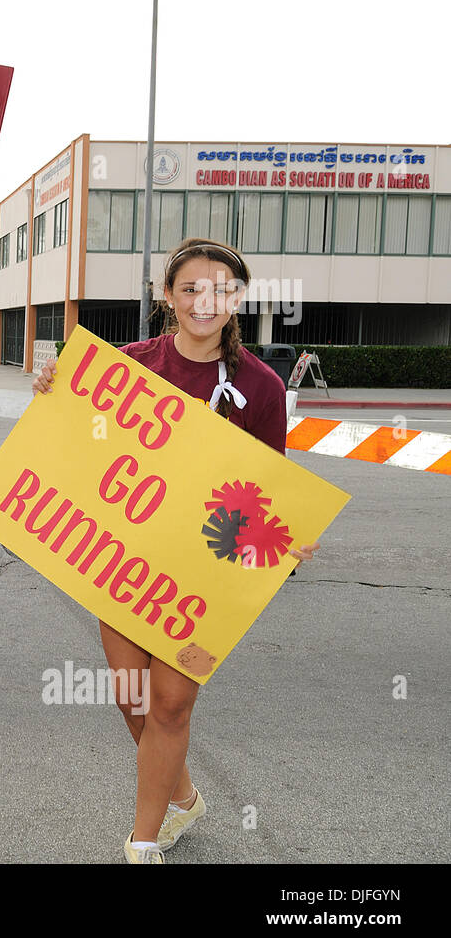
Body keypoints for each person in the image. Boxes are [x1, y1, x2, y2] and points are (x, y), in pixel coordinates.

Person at [32, 236, 322, 863]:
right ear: (167, 296)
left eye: (219, 288)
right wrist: (51, 387)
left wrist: (284, 537)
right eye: (190, 287)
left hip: (205, 573)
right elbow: (76, 445)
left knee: (170, 702)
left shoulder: (262, 388)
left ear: (237, 298)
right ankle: (183, 795)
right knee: (133, 698)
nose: (203, 300)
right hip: (120, 559)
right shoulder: (123, 366)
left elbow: (266, 491)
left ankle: (143, 841)